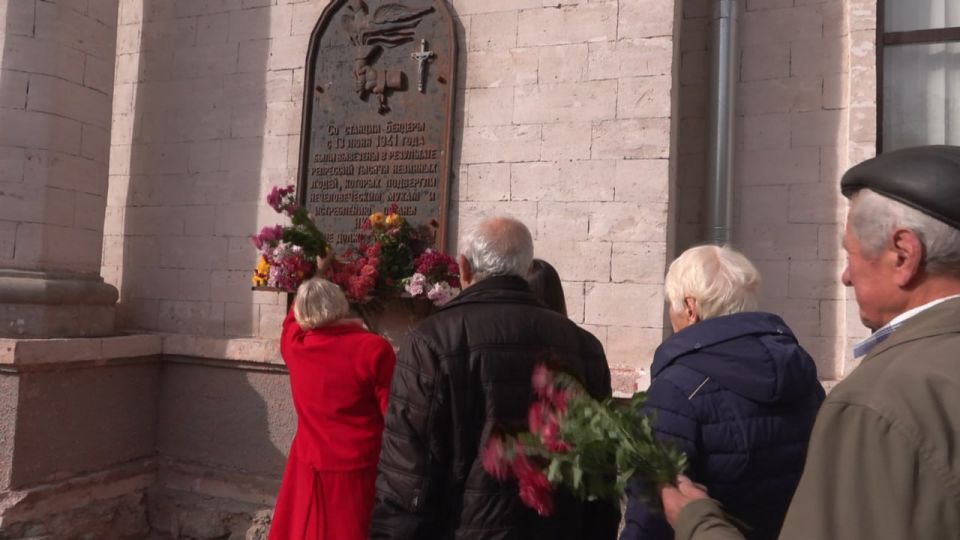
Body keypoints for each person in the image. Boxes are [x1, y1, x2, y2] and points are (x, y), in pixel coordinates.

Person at [660, 145, 960, 539]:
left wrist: (696, 520)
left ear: (903, 255)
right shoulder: (805, 371)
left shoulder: (877, 398)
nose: (846, 277)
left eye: (850, 255)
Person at [369, 216, 620, 539]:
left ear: (464, 267)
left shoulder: (432, 340)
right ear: (527, 268)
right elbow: (601, 474)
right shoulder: (583, 345)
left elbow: (407, 475)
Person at [620, 245, 824, 540]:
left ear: (690, 308)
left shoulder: (677, 389)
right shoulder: (804, 375)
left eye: (671, 304)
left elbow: (652, 512)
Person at [269, 277, 397, 540]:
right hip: (357, 468)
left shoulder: (296, 347)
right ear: (341, 304)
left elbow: (289, 324)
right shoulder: (373, 349)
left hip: (309, 464)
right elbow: (393, 415)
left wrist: (318, 270)